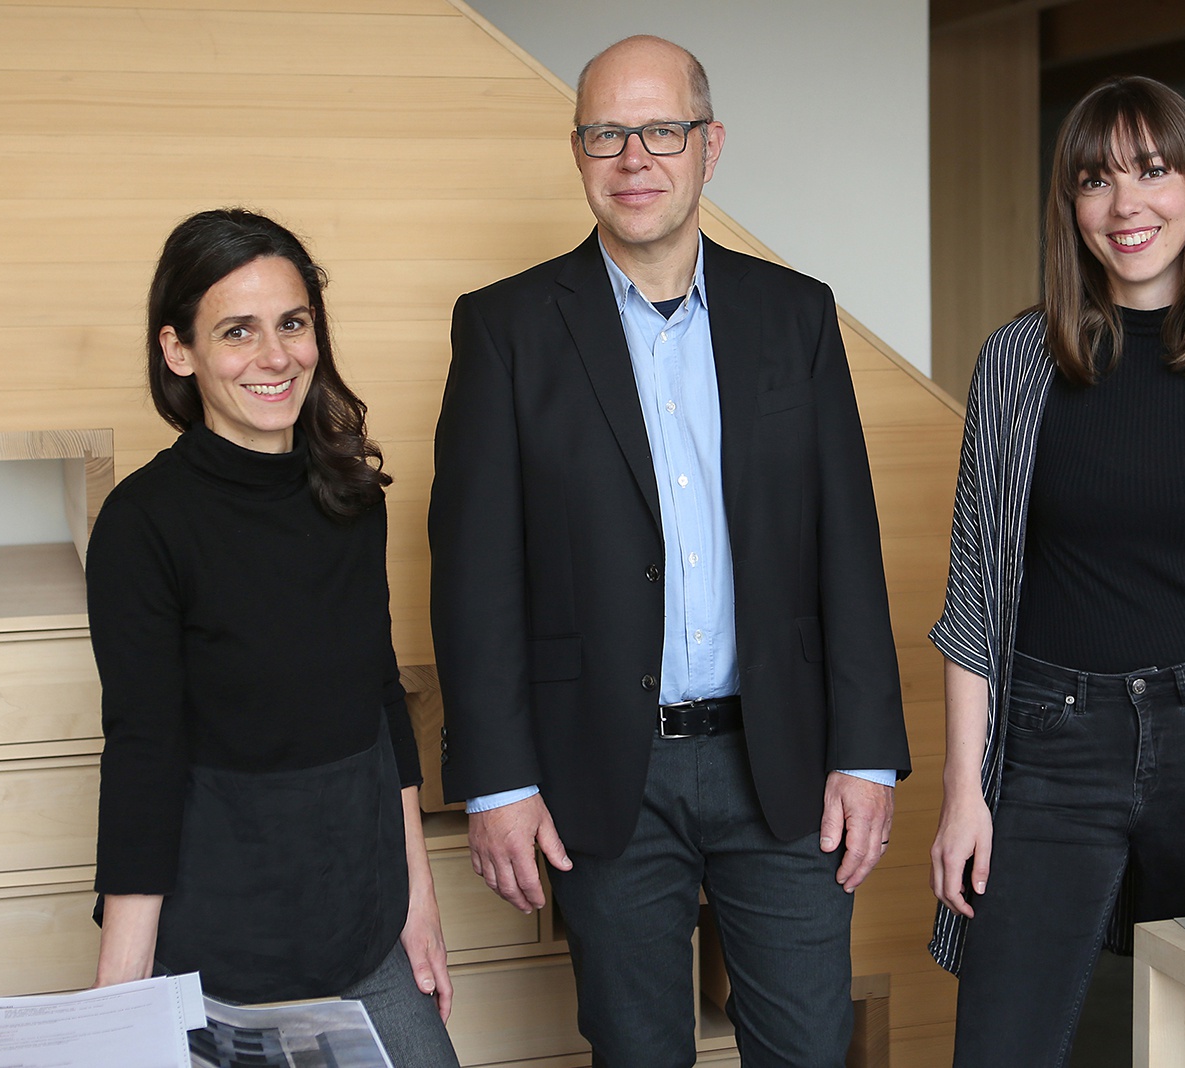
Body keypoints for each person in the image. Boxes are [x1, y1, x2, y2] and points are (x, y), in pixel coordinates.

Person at [429, 35, 910, 1068]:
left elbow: (848, 544)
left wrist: (867, 753)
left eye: (661, 131)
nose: (634, 158)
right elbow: (474, 576)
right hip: (603, 768)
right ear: (578, 151)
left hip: (783, 761)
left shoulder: (797, 315)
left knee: (809, 1049)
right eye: (607, 133)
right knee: (636, 1052)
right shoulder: (505, 329)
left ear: (709, 145)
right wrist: (498, 781)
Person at [928, 75, 1185, 1065]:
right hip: (1050, 744)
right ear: (1070, 205)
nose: (1126, 205)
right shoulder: (1017, 363)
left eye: (1152, 171)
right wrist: (963, 792)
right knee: (1000, 1045)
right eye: (1095, 179)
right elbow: (975, 595)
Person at [87, 208, 460, 1068]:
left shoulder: (350, 496)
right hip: (216, 946)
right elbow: (143, 755)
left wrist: (418, 900)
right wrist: (120, 992)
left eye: (292, 324)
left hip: (362, 925)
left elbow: (382, 704)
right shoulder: (143, 524)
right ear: (179, 350)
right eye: (237, 331)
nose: (275, 356)